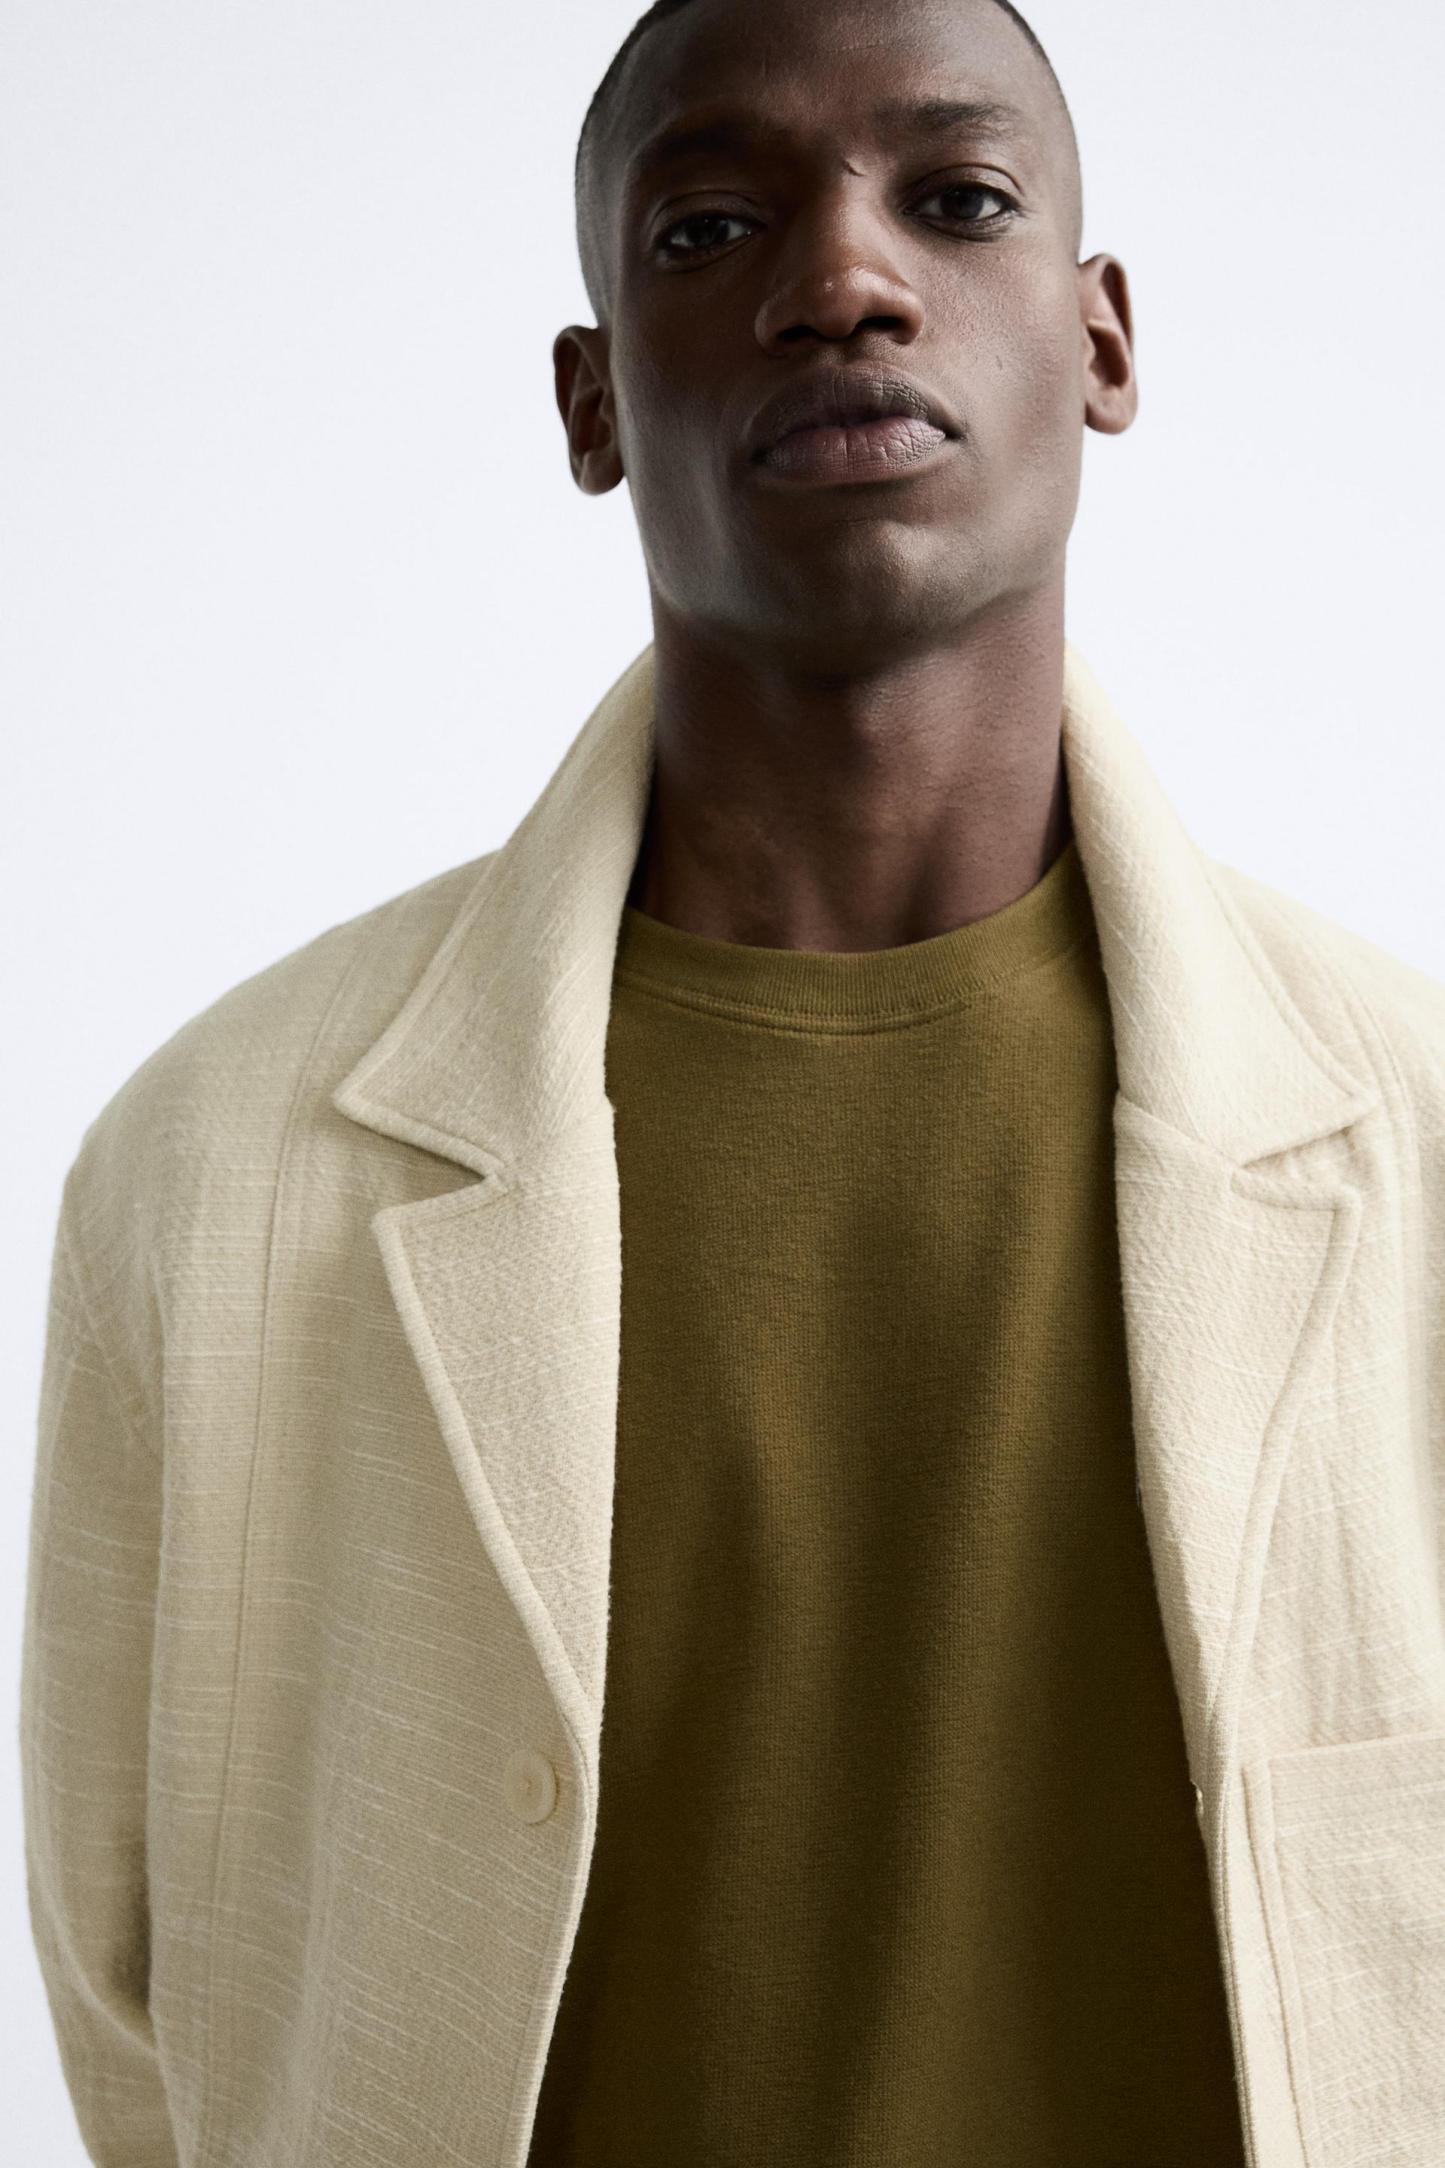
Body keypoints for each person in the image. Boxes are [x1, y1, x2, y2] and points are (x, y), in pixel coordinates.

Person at [20, 0, 1445, 2163]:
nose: (843, 279)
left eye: (955, 199)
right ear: (592, 399)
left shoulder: (1416, 1146)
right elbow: (143, 2004)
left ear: (1102, 339)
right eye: (706, 228)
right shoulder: (216, 1172)